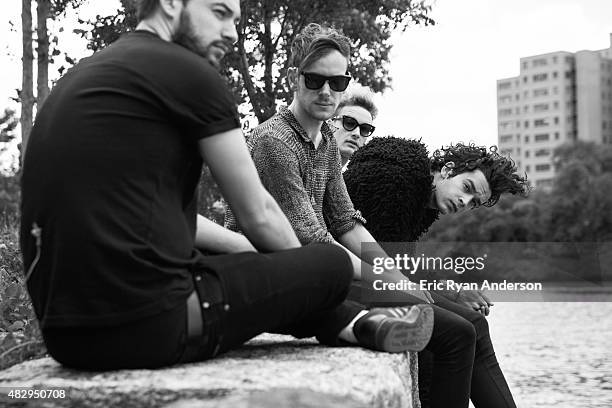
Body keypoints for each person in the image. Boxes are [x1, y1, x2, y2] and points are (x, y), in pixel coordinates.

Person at [20, 0, 433, 371]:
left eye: (236, 19)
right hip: (152, 328)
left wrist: (259, 263)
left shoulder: (87, 75)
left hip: (67, 337)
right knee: (331, 264)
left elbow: (179, 222)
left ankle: (360, 325)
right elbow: (260, 215)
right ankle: (355, 319)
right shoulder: (192, 75)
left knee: (240, 263)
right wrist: (304, 281)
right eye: (218, 12)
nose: (233, 33)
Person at [336, 87, 529, 408]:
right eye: (467, 188)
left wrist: (448, 288)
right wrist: (449, 290)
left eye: (474, 202)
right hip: (347, 278)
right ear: (448, 170)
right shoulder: (398, 176)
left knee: (471, 325)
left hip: (370, 278)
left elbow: (397, 263)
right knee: (467, 330)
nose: (465, 202)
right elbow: (384, 264)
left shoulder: (420, 199)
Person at [225, 23, 433, 307]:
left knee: (451, 319)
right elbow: (310, 237)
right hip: (274, 277)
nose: (326, 91)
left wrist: (395, 276)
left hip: (317, 270)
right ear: (292, 78)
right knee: (446, 327)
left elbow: (345, 221)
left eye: (337, 83)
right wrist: (385, 281)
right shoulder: (275, 142)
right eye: (314, 80)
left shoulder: (327, 140)